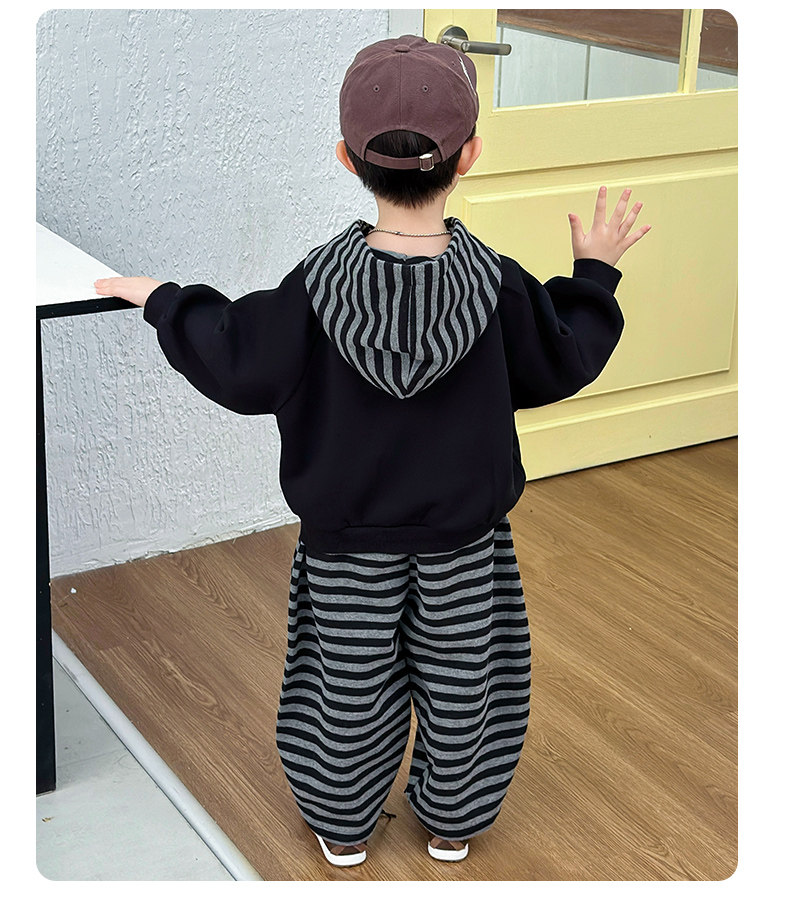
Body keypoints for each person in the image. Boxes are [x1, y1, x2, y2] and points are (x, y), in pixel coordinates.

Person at [94, 33, 650, 870]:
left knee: (343, 687)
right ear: (470, 156)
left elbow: (235, 353)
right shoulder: (497, 285)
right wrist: (594, 273)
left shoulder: (314, 287)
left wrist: (164, 301)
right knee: (470, 686)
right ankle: (453, 822)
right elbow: (563, 357)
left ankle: (344, 825)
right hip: (467, 546)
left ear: (347, 158)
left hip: (344, 547)